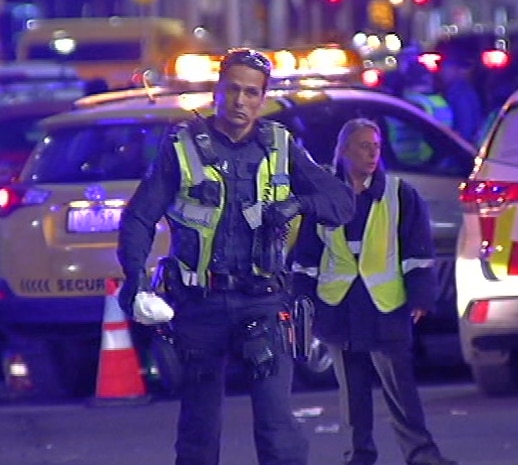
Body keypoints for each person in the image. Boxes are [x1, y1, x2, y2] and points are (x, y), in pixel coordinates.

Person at [116, 48, 355, 465]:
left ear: (263, 98)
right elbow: (138, 217)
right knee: (198, 432)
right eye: (232, 90)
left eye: (251, 92)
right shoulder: (182, 147)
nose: (241, 101)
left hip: (264, 304)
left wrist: (297, 204)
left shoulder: (281, 146)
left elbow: (341, 201)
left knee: (278, 430)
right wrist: (135, 283)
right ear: (217, 91)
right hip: (199, 307)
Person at [291, 118, 458, 465]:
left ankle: (421, 455)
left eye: (376, 146)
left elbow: (417, 251)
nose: (372, 152)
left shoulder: (400, 195)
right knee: (352, 394)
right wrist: (302, 301)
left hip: (385, 306)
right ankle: (359, 456)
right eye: (364, 145)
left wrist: (420, 296)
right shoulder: (323, 198)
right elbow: (307, 256)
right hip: (339, 306)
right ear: (344, 150)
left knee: (401, 390)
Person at [435, 54, 484, 145]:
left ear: (456, 69)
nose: (442, 72)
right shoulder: (458, 90)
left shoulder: (459, 93)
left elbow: (465, 127)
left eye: (446, 68)